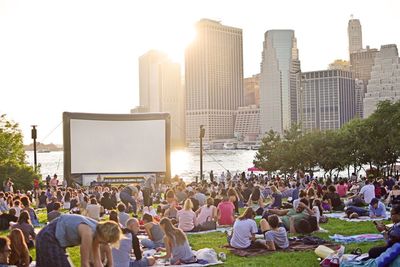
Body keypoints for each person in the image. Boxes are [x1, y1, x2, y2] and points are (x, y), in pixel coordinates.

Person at [36, 214, 122, 267]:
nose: (106, 244)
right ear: (105, 234)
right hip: (48, 237)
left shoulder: (97, 234)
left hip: (56, 240)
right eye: (107, 241)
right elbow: (84, 263)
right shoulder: (88, 233)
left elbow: (97, 261)